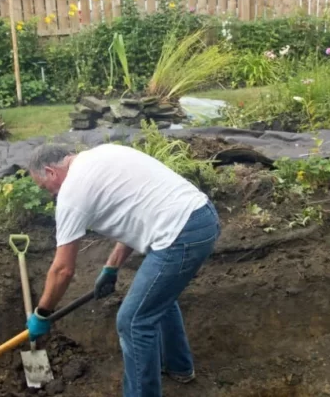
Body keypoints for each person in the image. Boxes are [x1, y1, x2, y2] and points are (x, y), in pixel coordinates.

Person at [25, 142, 220, 397]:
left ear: (51, 171)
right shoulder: (103, 154)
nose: (48, 193)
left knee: (133, 321)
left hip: (179, 235)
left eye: (44, 187)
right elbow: (135, 212)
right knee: (158, 301)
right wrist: (111, 266)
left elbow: (62, 269)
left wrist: (42, 313)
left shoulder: (72, 193)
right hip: (201, 217)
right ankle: (179, 367)